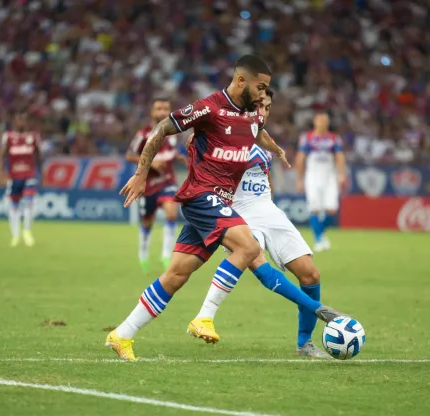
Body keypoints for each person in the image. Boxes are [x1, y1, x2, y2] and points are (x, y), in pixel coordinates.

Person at [107, 55, 343, 360]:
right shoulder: (209, 107)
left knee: (176, 275)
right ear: (241, 81)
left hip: (220, 202)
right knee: (246, 246)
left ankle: (121, 334)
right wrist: (141, 173)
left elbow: (258, 132)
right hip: (200, 195)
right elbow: (162, 129)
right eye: (260, 87)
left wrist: (277, 149)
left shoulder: (253, 116)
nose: (262, 95)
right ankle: (204, 317)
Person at [187, 90, 329, 358]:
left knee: (311, 275)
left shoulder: (261, 139)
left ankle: (304, 344)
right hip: (235, 212)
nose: (263, 112)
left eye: (268, 107)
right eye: (259, 106)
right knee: (258, 263)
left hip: (267, 209)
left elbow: (265, 176)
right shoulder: (223, 133)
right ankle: (318, 309)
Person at [125, 98, 186, 273]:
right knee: (147, 222)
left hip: (167, 180)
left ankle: (166, 255)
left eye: (165, 108)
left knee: (171, 212)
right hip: (148, 185)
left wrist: (177, 157)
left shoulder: (174, 134)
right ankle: (143, 253)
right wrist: (151, 164)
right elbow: (130, 155)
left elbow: (170, 152)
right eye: (158, 108)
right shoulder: (143, 134)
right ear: (152, 112)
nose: (162, 112)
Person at [295, 111, 347, 251]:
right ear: (315, 122)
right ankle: (318, 240)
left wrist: (341, 174)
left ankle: (321, 234)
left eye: (325, 121)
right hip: (312, 176)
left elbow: (339, 156)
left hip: (330, 177)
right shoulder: (307, 138)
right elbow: (300, 159)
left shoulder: (334, 139)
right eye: (320, 121)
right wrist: (299, 179)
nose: (323, 123)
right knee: (315, 209)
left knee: (331, 209)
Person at [0, 112, 41, 247]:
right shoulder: (8, 137)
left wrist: (41, 173)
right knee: (13, 206)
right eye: (19, 119)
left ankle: (27, 231)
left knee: (29, 202)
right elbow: (2, 155)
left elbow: (39, 155)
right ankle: (15, 235)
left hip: (29, 175)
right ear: (14, 122)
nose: (21, 122)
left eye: (24, 120)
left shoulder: (33, 137)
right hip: (14, 177)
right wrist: (0, 172)